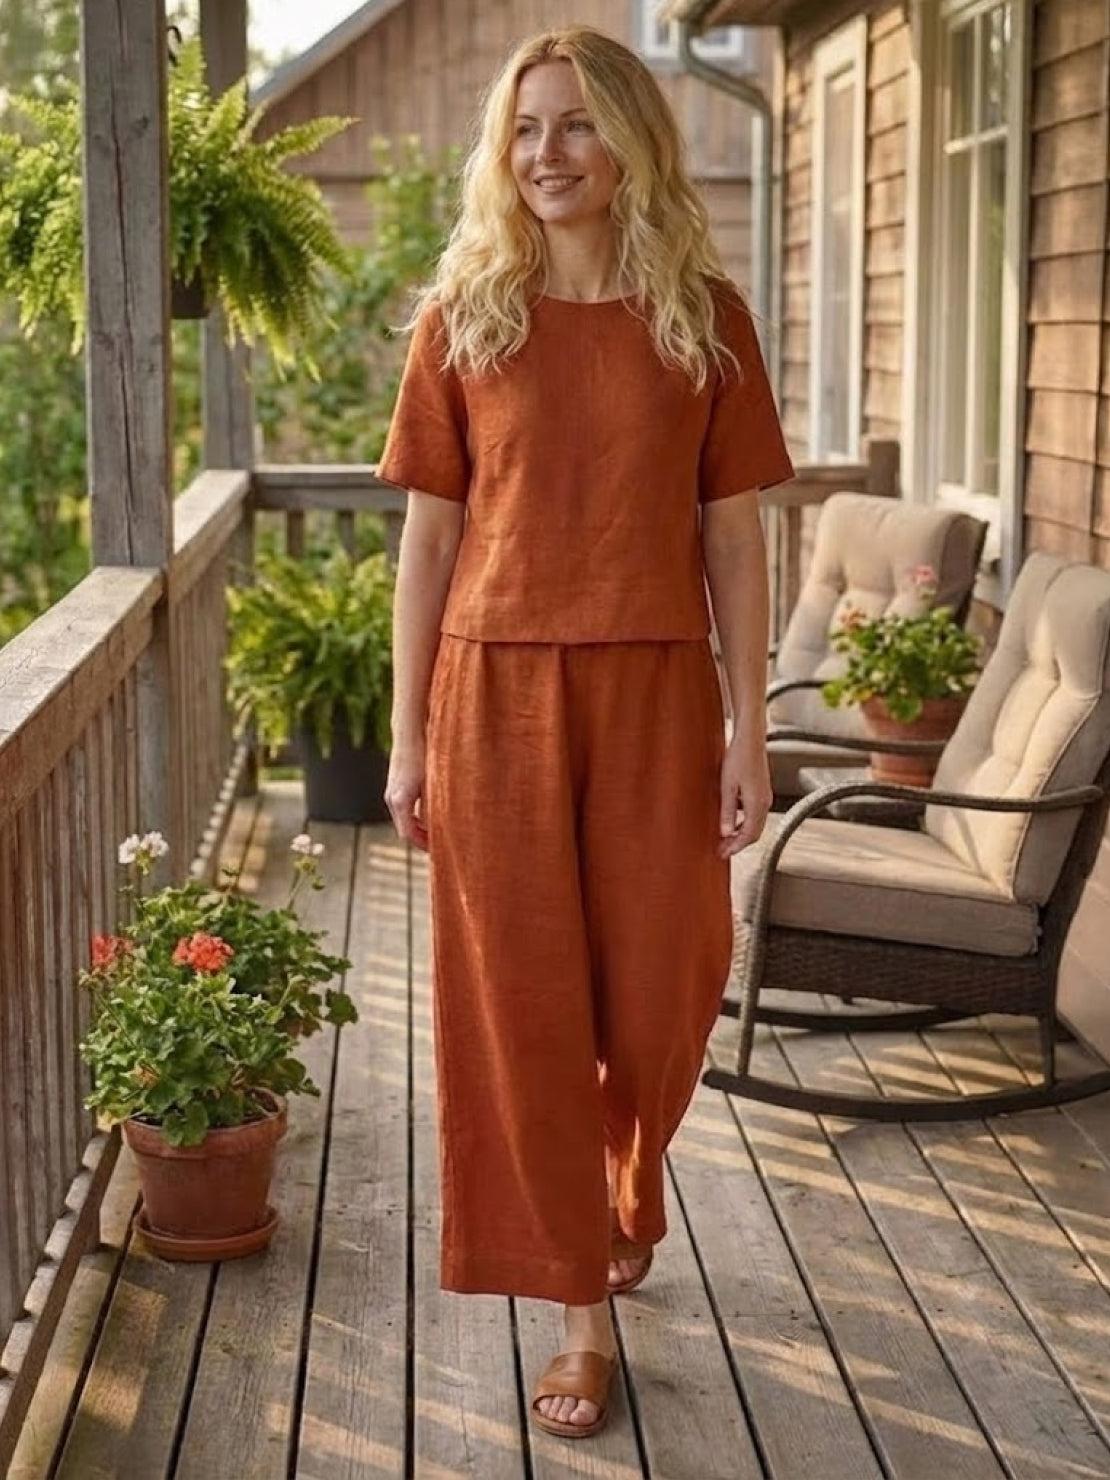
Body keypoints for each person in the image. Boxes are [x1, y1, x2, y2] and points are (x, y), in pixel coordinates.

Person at [378, 23, 794, 1443]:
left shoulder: (705, 316)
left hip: (658, 691)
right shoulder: (464, 317)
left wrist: (747, 733)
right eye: (524, 129)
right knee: (526, 1006)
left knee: (669, 988)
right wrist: (405, 739)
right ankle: (578, 1311)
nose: (546, 154)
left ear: (627, 141)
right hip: (491, 692)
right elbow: (425, 548)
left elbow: (732, 541)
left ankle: (626, 1182)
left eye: (573, 126)